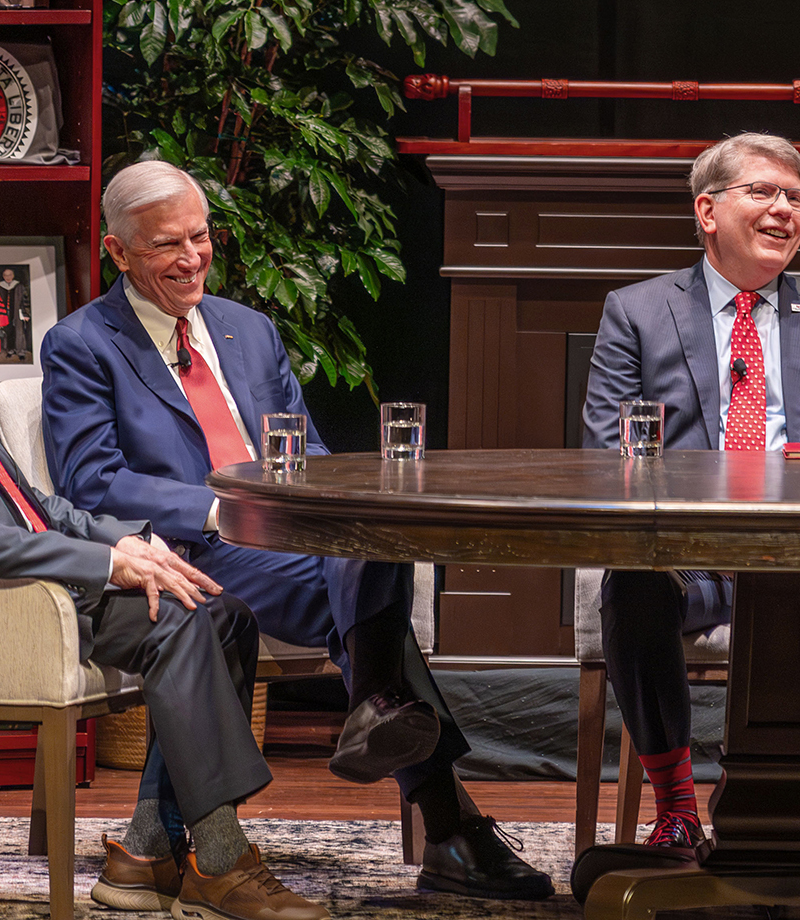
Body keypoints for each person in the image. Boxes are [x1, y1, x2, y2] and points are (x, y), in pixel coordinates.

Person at [39, 161, 553, 902]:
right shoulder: (82, 344)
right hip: (191, 549)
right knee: (372, 604)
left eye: (200, 236)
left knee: (373, 538)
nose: (191, 259)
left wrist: (322, 505)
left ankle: (379, 707)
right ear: (117, 253)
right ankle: (446, 821)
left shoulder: (249, 330)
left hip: (289, 542)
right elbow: (93, 481)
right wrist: (222, 509)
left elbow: (304, 452)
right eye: (165, 247)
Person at [0, 221, 324, 920]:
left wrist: (135, 544)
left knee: (219, 608)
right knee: (180, 618)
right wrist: (106, 565)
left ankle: (144, 853)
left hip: (27, 581)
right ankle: (221, 858)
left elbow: (32, 503)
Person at [580, 132, 800, 851]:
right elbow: (610, 454)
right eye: (763, 191)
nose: (785, 209)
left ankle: (789, 785)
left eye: (796, 197)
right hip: (688, 561)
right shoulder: (636, 312)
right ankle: (675, 802)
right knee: (632, 585)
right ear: (707, 210)